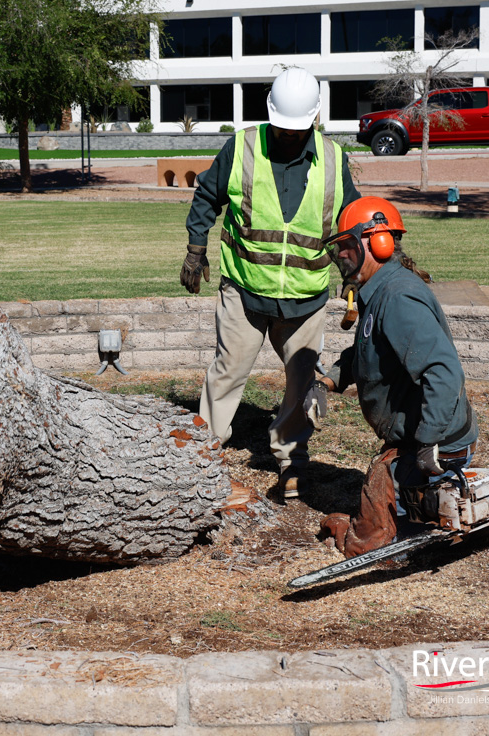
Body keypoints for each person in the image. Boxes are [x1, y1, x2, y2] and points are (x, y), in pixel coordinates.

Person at [180, 67, 361, 502]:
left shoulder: (334, 160)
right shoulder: (241, 148)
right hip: (244, 289)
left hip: (305, 298)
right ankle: (201, 455)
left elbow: (348, 220)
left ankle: (292, 460)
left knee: (301, 381)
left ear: (315, 120)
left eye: (297, 129)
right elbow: (207, 193)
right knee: (227, 371)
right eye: (282, 127)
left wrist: (354, 275)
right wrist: (195, 248)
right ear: (270, 116)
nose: (288, 135)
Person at [309, 196, 479, 557]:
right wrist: (327, 381)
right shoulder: (379, 291)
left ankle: (408, 531)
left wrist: (430, 442)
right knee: (383, 490)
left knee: (371, 531)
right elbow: (367, 352)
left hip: (434, 444)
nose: (340, 256)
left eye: (346, 246)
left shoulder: (398, 297)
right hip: (417, 439)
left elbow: (443, 371)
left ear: (376, 242)